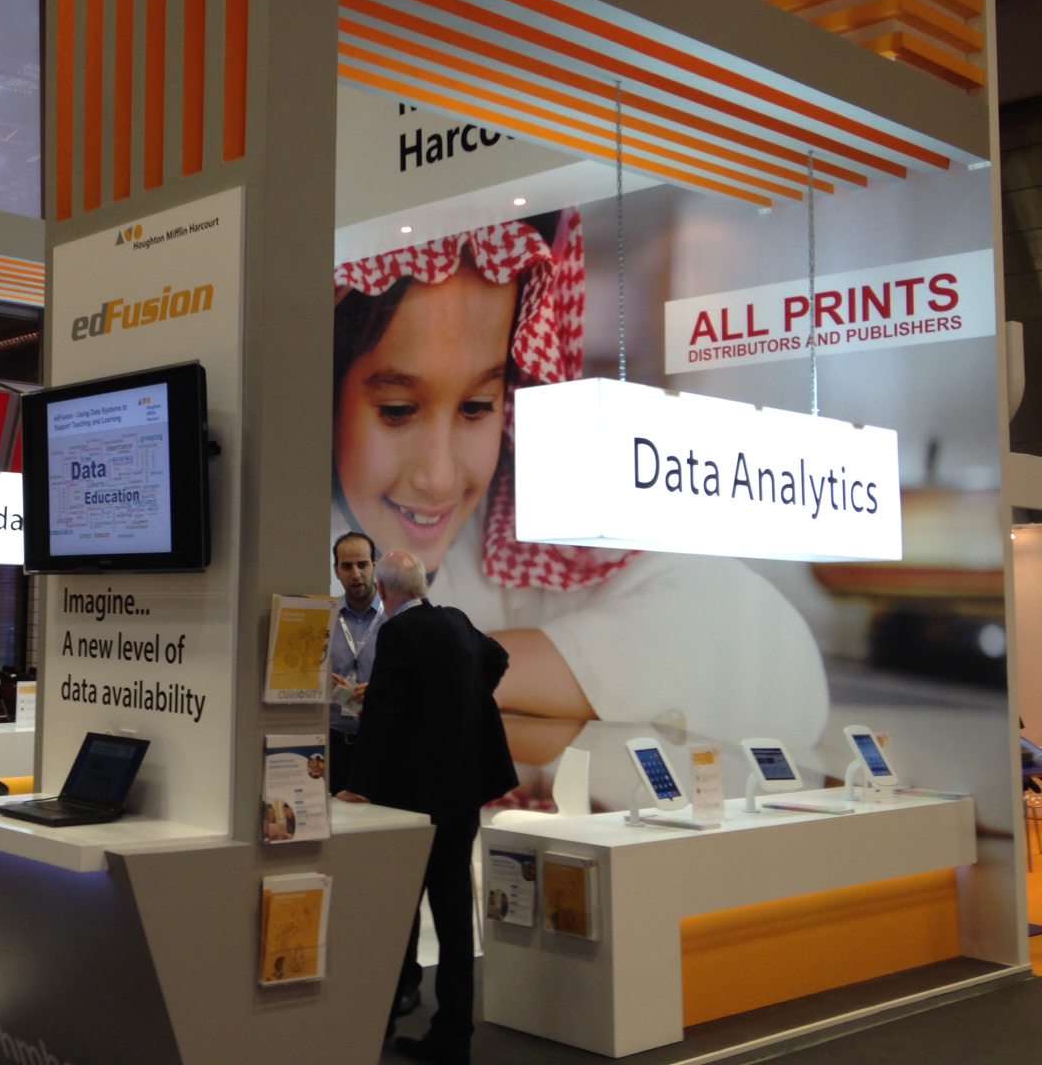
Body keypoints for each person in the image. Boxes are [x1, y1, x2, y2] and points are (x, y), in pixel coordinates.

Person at [332, 210, 827, 747]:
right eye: (398, 411)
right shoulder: (297, 543)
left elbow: (780, 664)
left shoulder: (511, 531)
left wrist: (461, 670)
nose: (438, 476)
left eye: (476, 407)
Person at [338, 551, 515, 1065]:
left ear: (384, 589)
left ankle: (379, 1022)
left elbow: (384, 714)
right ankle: (454, 1035)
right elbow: (497, 658)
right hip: (463, 793)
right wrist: (462, 703)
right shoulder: (456, 620)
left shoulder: (398, 632)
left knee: (396, 911)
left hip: (415, 800)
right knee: (454, 913)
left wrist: (358, 786)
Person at [327, 531, 383, 797]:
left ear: (375, 565)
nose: (356, 574)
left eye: (363, 565)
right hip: (334, 742)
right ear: (336, 571)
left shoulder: (396, 618)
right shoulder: (325, 617)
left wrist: (382, 689)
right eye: (347, 566)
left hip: (381, 743)